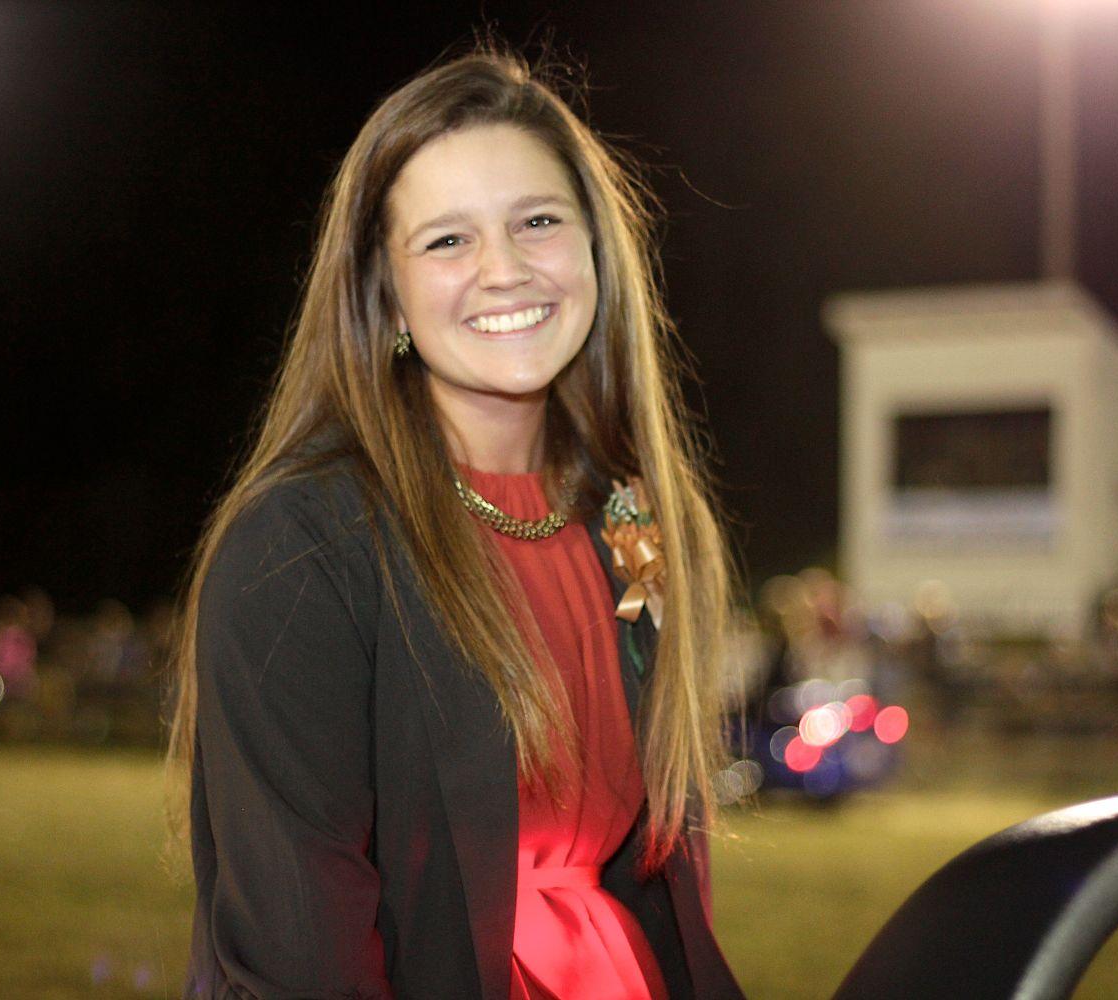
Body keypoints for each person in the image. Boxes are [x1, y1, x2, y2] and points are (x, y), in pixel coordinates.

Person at [167, 46, 744, 999]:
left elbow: (663, 887)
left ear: (596, 247)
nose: (505, 271)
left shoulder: (634, 520)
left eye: (538, 222)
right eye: (447, 241)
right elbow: (302, 957)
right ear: (384, 292)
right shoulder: (302, 546)